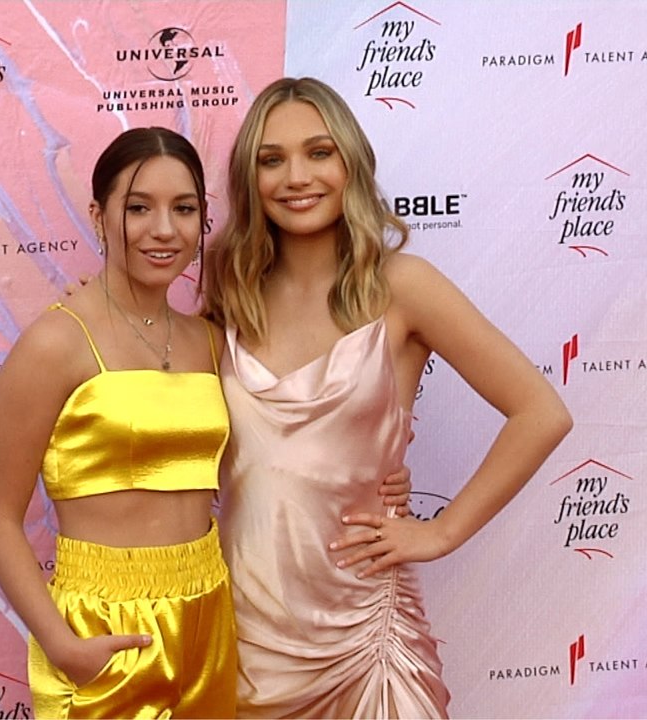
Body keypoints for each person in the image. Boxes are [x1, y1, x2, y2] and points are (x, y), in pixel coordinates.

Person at [203, 77, 573, 719]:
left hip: (366, 646)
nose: (296, 176)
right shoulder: (232, 296)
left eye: (319, 152)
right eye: (272, 159)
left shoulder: (402, 286)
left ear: (350, 161)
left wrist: (442, 531)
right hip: (245, 646)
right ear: (249, 179)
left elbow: (541, 412)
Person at [0, 127, 236, 718]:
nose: (164, 229)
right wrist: (63, 646)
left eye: (184, 209)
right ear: (99, 216)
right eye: (139, 208)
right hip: (106, 625)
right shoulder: (55, 344)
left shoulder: (212, 341)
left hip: (210, 616)